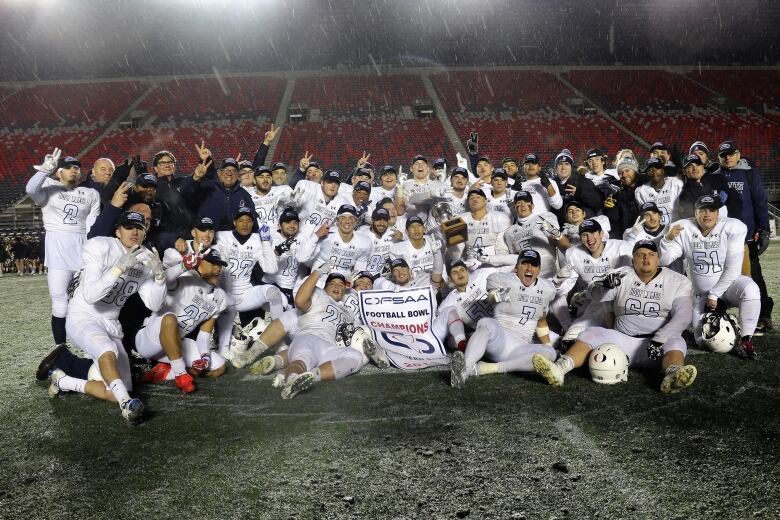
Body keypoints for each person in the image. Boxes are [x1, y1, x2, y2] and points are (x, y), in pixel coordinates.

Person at [48, 211, 166, 424]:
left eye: (139, 228)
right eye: (129, 227)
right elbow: (91, 295)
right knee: (108, 353)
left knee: (119, 388)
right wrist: (119, 267)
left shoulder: (146, 258)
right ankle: (127, 405)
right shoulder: (100, 246)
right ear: (118, 231)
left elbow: (154, 304)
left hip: (111, 322)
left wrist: (159, 278)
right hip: (83, 315)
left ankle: (64, 381)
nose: (134, 232)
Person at [533, 240, 697, 394]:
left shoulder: (678, 281)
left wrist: (659, 339)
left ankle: (673, 374)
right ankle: (560, 368)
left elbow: (683, 316)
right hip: (622, 342)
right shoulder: (621, 275)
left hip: (657, 346)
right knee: (590, 333)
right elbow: (594, 295)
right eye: (640, 255)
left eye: (651, 254)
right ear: (633, 260)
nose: (646, 258)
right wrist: (603, 286)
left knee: (676, 340)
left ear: (658, 259)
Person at [659, 195, 761, 359]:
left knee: (750, 288)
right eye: (703, 210)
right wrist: (667, 239)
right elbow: (664, 260)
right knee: (703, 341)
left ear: (718, 214)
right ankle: (728, 321)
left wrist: (715, 294)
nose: (707, 214)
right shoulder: (684, 228)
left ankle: (746, 340)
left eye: (712, 210)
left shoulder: (733, 227)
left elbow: (734, 268)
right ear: (696, 212)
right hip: (701, 294)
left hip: (729, 287)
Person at [25, 148, 101, 348]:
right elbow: (30, 190)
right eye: (68, 167)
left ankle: (91, 346)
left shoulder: (91, 193)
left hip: (82, 253)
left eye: (76, 167)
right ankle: (61, 349)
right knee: (60, 304)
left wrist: (91, 255)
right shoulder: (49, 186)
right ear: (58, 172)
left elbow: (92, 227)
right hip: (58, 254)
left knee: (89, 302)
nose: (74, 170)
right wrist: (43, 171)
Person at [451, 250, 557, 388]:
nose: (529, 268)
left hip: (521, 348)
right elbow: (490, 297)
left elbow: (541, 321)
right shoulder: (502, 279)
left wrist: (547, 347)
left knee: (551, 353)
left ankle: (485, 369)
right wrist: (495, 296)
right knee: (487, 323)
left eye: (534, 265)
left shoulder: (547, 289)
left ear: (539, 269)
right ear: (517, 266)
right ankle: (464, 369)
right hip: (499, 339)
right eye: (524, 263)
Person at [135, 248, 229, 393]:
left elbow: (204, 335)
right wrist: (183, 266)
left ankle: (166, 371)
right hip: (149, 340)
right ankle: (180, 374)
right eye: (212, 264)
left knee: (219, 366)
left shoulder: (221, 297)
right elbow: (164, 280)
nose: (217, 269)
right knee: (170, 319)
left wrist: (205, 358)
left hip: (176, 343)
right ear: (199, 264)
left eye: (220, 265)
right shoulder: (187, 278)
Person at [277, 268, 366, 399]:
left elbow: (356, 333)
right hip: (310, 337)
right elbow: (300, 300)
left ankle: (311, 376)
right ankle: (291, 381)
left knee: (357, 357)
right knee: (303, 360)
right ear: (324, 288)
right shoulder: (318, 295)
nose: (337, 287)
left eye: (341, 285)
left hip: (330, 347)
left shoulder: (349, 313)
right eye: (332, 284)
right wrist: (317, 273)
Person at [715, 140, 773, 333]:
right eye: (723, 155)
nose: (727, 157)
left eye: (731, 153)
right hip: (721, 238)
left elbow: (760, 203)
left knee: (754, 276)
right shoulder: (715, 176)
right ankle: (720, 315)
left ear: (738, 154)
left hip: (745, 238)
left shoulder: (749, 174)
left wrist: (763, 229)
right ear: (719, 158)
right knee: (720, 277)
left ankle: (764, 315)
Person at [214, 207, 280, 359]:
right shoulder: (222, 236)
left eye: (249, 221)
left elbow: (270, 268)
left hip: (245, 294)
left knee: (274, 293)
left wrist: (265, 242)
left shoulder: (258, 239)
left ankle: (279, 339)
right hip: (225, 294)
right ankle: (222, 347)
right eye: (241, 220)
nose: (245, 224)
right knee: (228, 300)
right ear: (234, 222)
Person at [181, 157, 257, 231]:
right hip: (208, 239)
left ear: (238, 175)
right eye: (226, 170)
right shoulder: (207, 188)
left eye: (233, 171)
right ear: (219, 173)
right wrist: (195, 178)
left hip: (234, 240)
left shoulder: (245, 196)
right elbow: (185, 193)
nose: (229, 173)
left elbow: (253, 222)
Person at [311, 204, 372, 285]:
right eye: (343, 218)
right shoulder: (324, 233)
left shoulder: (364, 242)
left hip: (343, 284)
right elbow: (302, 258)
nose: (347, 221)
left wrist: (351, 282)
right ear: (337, 221)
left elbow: (358, 272)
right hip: (320, 280)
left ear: (356, 222)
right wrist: (316, 236)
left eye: (351, 218)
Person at [552, 149, 603, 224]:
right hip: (560, 228)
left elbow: (597, 203)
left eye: (567, 164)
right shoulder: (552, 184)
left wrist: (579, 193)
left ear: (571, 167)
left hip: (583, 227)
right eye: (560, 164)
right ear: (555, 168)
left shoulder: (583, 181)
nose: (563, 167)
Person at [635, 157, 682, 227]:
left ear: (663, 170)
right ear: (646, 173)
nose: (654, 171)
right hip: (655, 233)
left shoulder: (675, 184)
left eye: (657, 168)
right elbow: (645, 218)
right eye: (650, 170)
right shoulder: (641, 192)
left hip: (677, 230)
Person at [603, 155, 644, 236]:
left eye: (627, 170)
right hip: (628, 237)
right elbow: (615, 219)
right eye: (620, 173)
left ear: (635, 171)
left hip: (647, 235)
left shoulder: (647, 187)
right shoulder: (618, 195)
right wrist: (607, 209)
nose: (624, 175)